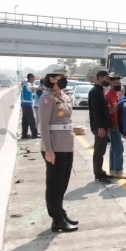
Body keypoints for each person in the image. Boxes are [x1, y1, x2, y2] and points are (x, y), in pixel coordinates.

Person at [38, 66, 78, 232]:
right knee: (54, 184)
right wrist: (48, 149)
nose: (64, 79)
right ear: (53, 79)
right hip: (54, 147)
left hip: (66, 145)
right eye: (62, 77)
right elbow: (44, 126)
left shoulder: (64, 96)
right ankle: (56, 219)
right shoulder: (46, 98)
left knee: (63, 183)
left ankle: (61, 212)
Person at [88, 70, 113, 183]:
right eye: (106, 78)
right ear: (99, 78)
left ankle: (100, 172)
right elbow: (96, 111)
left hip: (102, 126)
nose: (108, 81)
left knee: (101, 150)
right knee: (99, 150)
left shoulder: (100, 91)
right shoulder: (95, 92)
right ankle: (98, 174)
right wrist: (100, 127)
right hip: (99, 127)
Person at [105, 74, 126, 178]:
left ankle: (113, 171)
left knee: (113, 149)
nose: (119, 85)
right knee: (119, 149)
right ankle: (119, 171)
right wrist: (120, 104)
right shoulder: (108, 95)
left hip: (118, 125)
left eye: (119, 83)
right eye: (117, 84)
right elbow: (109, 111)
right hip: (113, 126)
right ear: (111, 84)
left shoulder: (117, 94)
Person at [20, 73, 40, 139]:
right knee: (32, 120)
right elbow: (32, 88)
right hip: (27, 104)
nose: (34, 79)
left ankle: (24, 134)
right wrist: (40, 88)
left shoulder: (26, 83)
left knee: (25, 120)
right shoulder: (27, 84)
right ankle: (34, 134)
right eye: (33, 78)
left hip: (24, 104)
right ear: (30, 78)